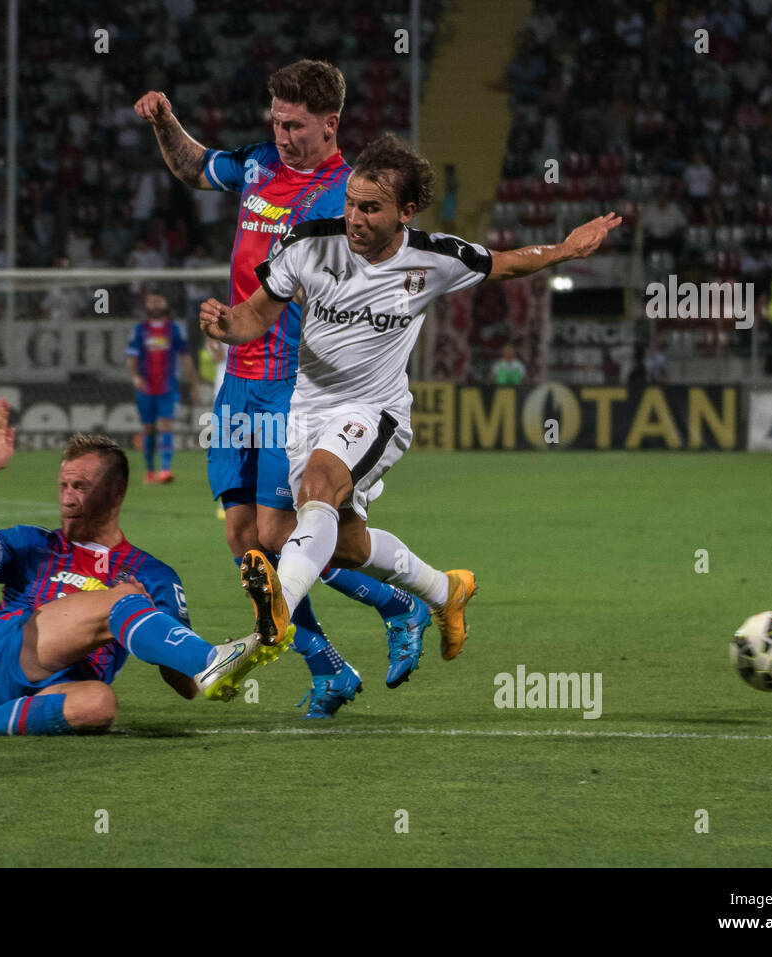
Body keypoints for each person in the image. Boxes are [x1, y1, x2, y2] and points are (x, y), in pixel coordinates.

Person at [200, 132, 621, 659]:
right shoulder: (307, 244)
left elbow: (510, 262)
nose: (354, 217)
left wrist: (565, 249)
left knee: (318, 487)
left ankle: (279, 607)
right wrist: (226, 325)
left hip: (374, 412)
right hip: (305, 409)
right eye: (351, 203)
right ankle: (446, 591)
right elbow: (257, 313)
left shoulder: (435, 259)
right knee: (338, 543)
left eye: (371, 208)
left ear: (407, 211)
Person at [135, 59, 433, 718]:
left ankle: (401, 603)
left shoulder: (347, 197)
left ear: (330, 123)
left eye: (295, 124)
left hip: (294, 384)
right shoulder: (256, 166)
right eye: (276, 120)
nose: (283, 133)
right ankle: (329, 666)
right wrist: (165, 122)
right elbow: (193, 166)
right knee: (245, 539)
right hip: (236, 377)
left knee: (283, 535)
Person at [0, 400, 288, 736]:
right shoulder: (32, 544)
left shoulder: (156, 575)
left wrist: (169, 640)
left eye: (80, 486)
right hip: (0, 657)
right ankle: (214, 658)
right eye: (63, 485)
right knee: (126, 598)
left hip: (52, 693)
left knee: (99, 705)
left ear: (116, 493)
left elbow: (184, 686)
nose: (67, 497)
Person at [125, 291, 198, 484]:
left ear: (165, 303)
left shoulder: (175, 329)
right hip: (145, 387)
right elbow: (131, 356)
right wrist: (135, 377)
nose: (155, 304)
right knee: (148, 428)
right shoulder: (139, 330)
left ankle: (165, 470)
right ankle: (150, 471)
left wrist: (192, 383)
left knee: (166, 425)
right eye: (151, 301)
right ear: (146, 305)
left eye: (159, 300)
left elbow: (186, 356)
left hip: (167, 386)